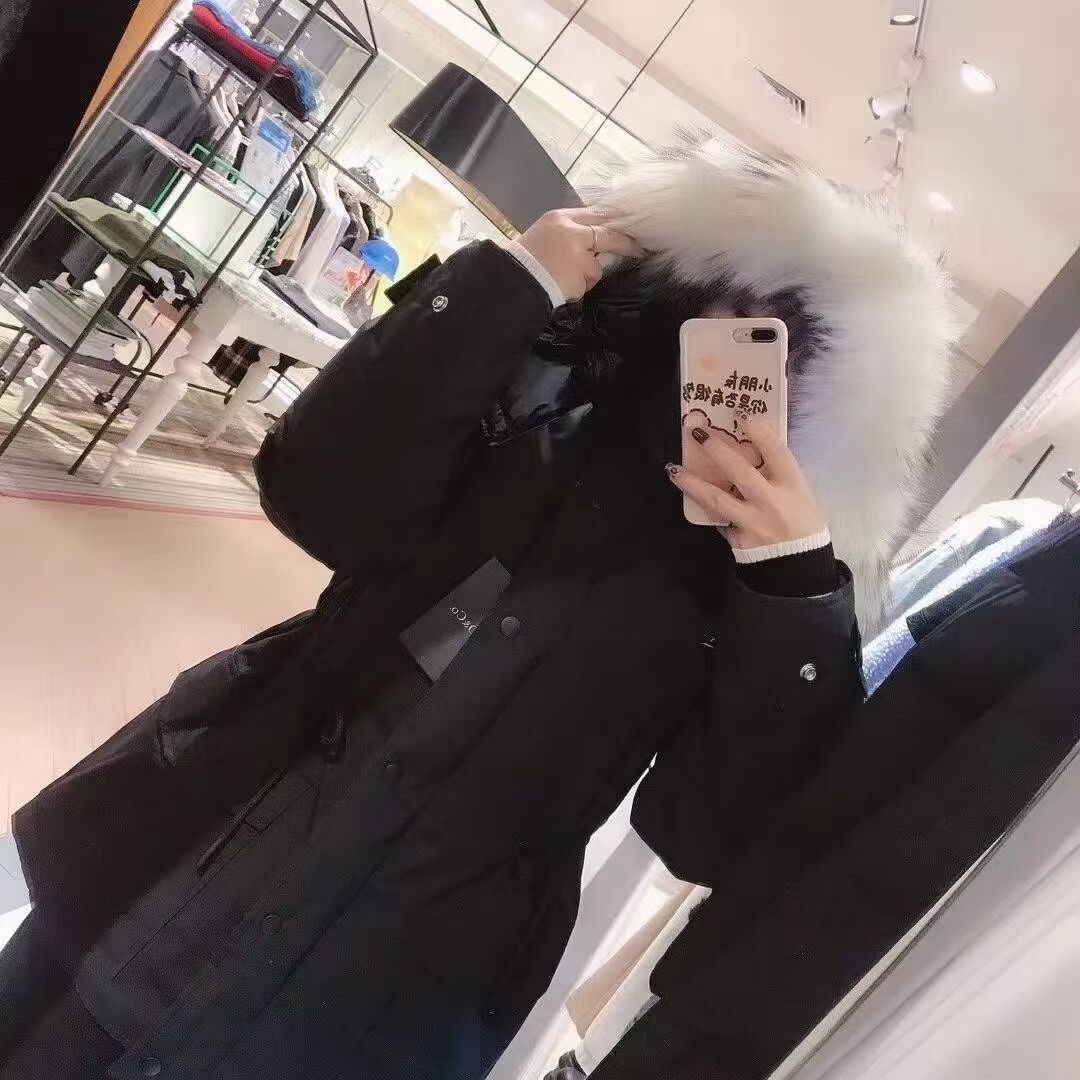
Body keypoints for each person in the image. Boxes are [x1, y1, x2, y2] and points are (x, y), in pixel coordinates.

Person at [1, 145, 950, 1079]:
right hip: (199, 854)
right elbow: (314, 497)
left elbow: (700, 832)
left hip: (384, 985)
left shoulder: (766, 580)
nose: (733, 361)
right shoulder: (546, 381)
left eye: (774, 351)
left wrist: (790, 591)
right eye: (722, 317)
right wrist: (502, 291)